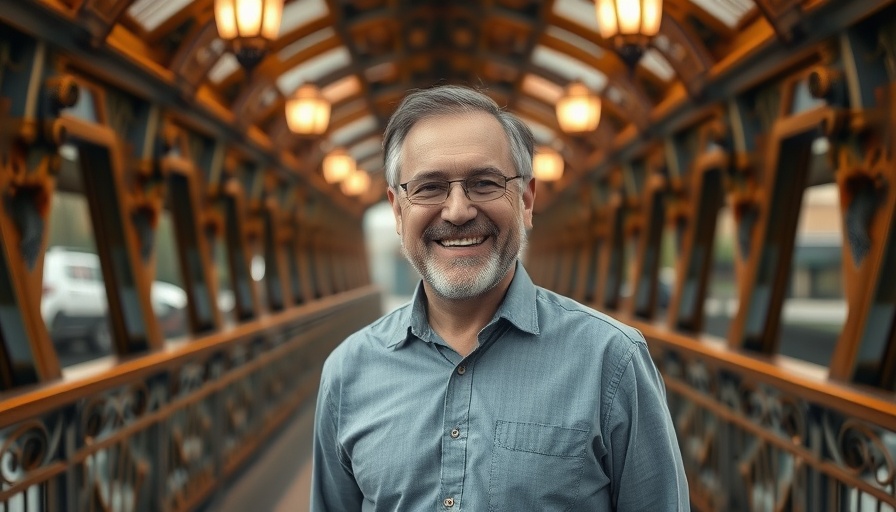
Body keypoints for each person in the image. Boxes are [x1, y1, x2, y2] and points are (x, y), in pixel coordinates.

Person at [311, 85, 689, 511]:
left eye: (484, 183)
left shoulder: (611, 361)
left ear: (526, 200)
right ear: (398, 211)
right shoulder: (347, 372)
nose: (457, 211)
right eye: (430, 188)